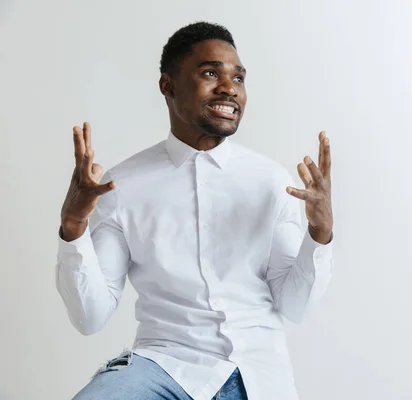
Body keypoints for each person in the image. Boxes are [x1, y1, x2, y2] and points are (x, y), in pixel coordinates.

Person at [56, 21, 334, 400]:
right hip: (162, 366)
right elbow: (90, 316)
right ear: (167, 86)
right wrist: (74, 226)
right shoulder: (122, 186)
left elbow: (294, 305)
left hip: (255, 373)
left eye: (239, 77)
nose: (229, 88)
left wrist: (319, 234)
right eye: (209, 73)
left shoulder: (271, 181)